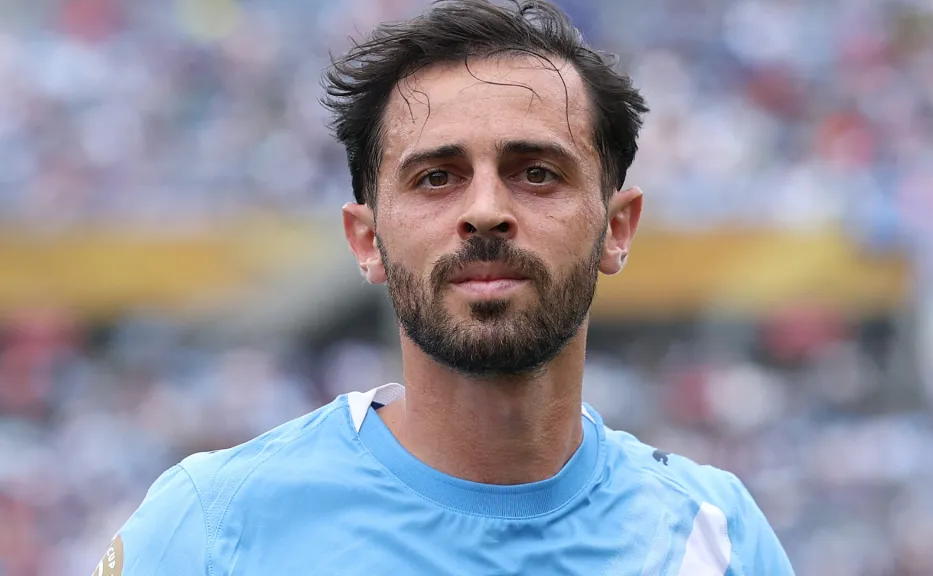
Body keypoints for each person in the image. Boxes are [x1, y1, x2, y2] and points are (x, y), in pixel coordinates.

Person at [94, 1, 794, 574]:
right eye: (436, 177)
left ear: (617, 228)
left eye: (537, 173)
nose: (485, 209)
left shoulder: (716, 536)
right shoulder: (213, 528)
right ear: (367, 240)